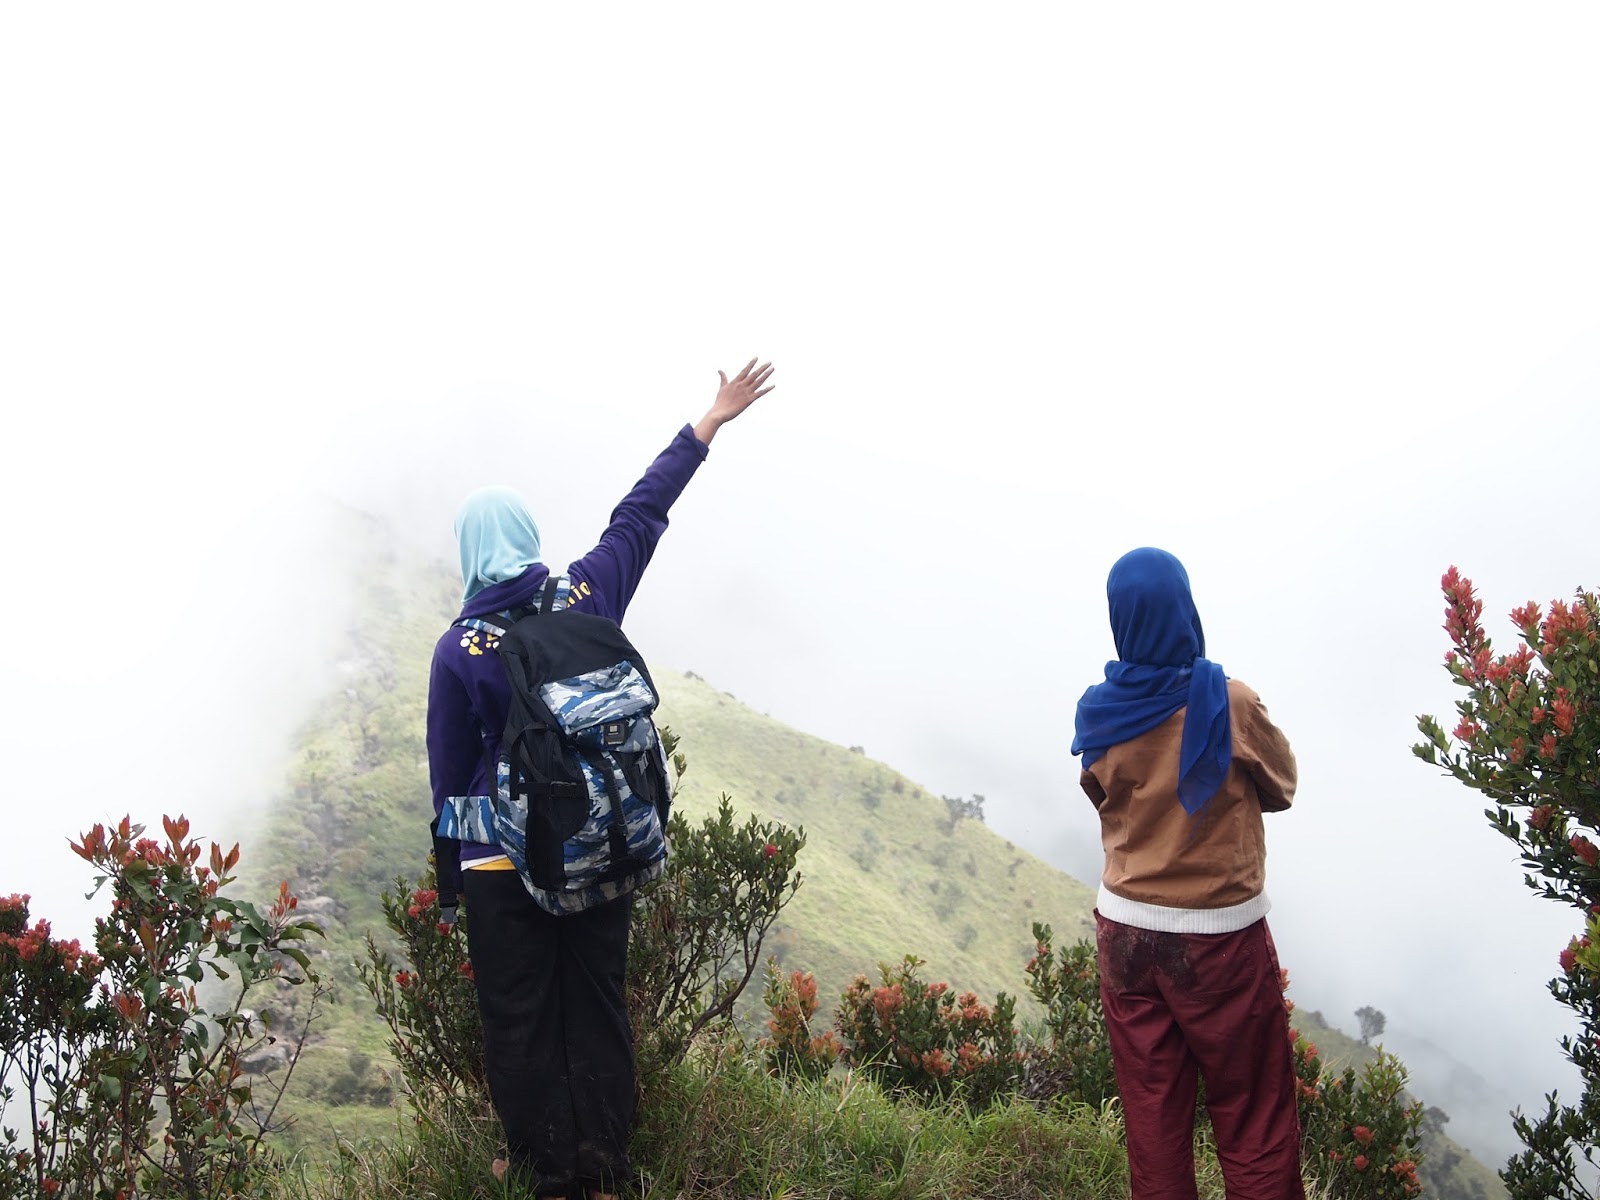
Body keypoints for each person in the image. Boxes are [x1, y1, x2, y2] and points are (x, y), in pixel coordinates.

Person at [426, 359, 776, 1200]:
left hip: (502, 869)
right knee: (597, 1006)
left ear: (470, 553)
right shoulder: (584, 594)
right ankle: (605, 1169)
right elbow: (640, 514)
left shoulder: (459, 649)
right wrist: (708, 424)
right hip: (595, 843)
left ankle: (548, 1175)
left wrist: (452, 885)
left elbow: (448, 786)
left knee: (520, 1021)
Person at [1070, 547, 1303, 1200]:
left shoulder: (1100, 714)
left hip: (1125, 932)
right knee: (1252, 1117)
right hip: (1219, 941)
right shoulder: (1228, 703)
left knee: (1154, 1123)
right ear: (1184, 608)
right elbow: (1282, 786)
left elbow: (1102, 796)